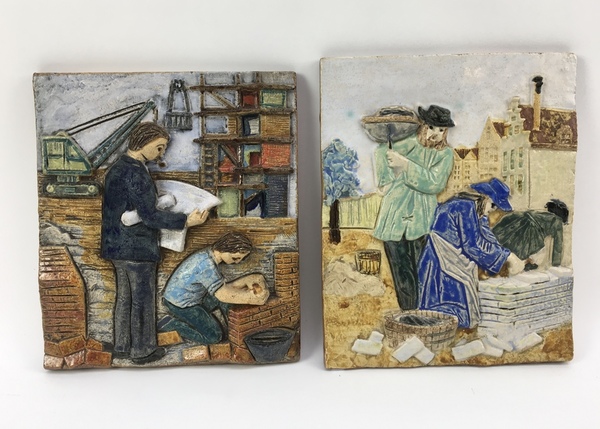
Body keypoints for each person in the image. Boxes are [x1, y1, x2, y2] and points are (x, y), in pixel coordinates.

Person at [101, 122, 208, 364]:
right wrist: (186, 221)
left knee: (125, 298)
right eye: (159, 147)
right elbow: (149, 217)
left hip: (116, 246)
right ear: (143, 142)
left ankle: (122, 346)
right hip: (137, 248)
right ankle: (143, 351)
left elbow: (125, 210)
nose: (161, 154)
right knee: (142, 300)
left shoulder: (117, 168)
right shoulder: (136, 172)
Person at [373, 105, 455, 310]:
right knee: (401, 272)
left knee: (423, 270)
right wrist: (385, 178)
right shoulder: (406, 143)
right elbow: (382, 151)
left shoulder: (445, 155)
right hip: (394, 216)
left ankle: (424, 311)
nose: (435, 134)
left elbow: (435, 183)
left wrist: (406, 166)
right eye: (431, 127)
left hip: (422, 221)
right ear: (423, 126)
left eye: (441, 130)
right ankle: (407, 312)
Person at [418, 178, 525, 328]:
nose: (492, 210)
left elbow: (486, 235)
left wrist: (506, 255)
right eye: (493, 205)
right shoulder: (464, 205)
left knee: (459, 306)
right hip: (441, 260)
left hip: (451, 259)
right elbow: (473, 245)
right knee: (446, 307)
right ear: (485, 197)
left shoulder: (477, 209)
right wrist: (506, 256)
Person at [160, 232, 269, 344]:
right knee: (214, 337)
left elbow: (224, 288)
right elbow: (223, 295)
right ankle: (172, 324)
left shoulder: (209, 254)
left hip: (193, 297)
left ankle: (233, 329)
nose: (238, 262)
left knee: (226, 303)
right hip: (180, 304)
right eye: (235, 258)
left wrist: (247, 281)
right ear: (226, 248)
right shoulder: (206, 265)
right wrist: (252, 299)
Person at [491, 199, 568, 269]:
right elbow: (558, 246)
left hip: (515, 218)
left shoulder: (541, 213)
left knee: (501, 241)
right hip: (530, 230)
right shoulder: (557, 221)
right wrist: (556, 265)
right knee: (527, 253)